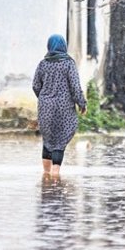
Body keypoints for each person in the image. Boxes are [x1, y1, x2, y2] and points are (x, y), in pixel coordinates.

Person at [32, 34, 87, 177]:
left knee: (48, 139)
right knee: (59, 142)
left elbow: (36, 85)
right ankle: (55, 177)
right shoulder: (69, 63)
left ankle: (46, 177)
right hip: (65, 109)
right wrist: (82, 103)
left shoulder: (43, 64)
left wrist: (44, 99)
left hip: (46, 108)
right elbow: (75, 87)